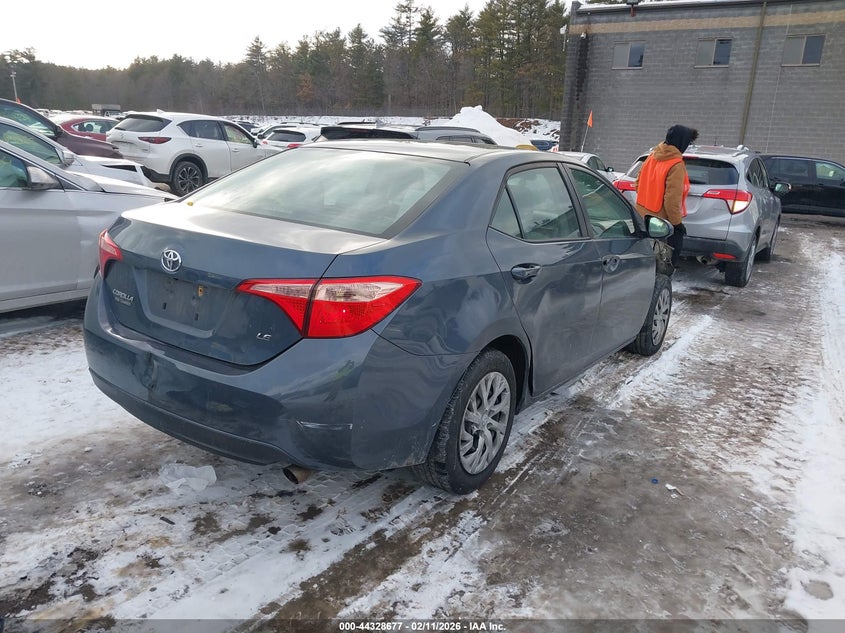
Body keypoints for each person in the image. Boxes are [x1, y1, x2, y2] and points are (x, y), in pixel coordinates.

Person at [634, 124, 699, 267]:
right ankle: (663, 284)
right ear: (681, 142)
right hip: (660, 222)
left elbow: (638, 184)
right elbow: (671, 200)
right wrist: (677, 224)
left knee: (645, 259)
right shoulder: (676, 164)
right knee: (666, 261)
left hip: (641, 216)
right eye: (687, 143)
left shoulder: (652, 156)